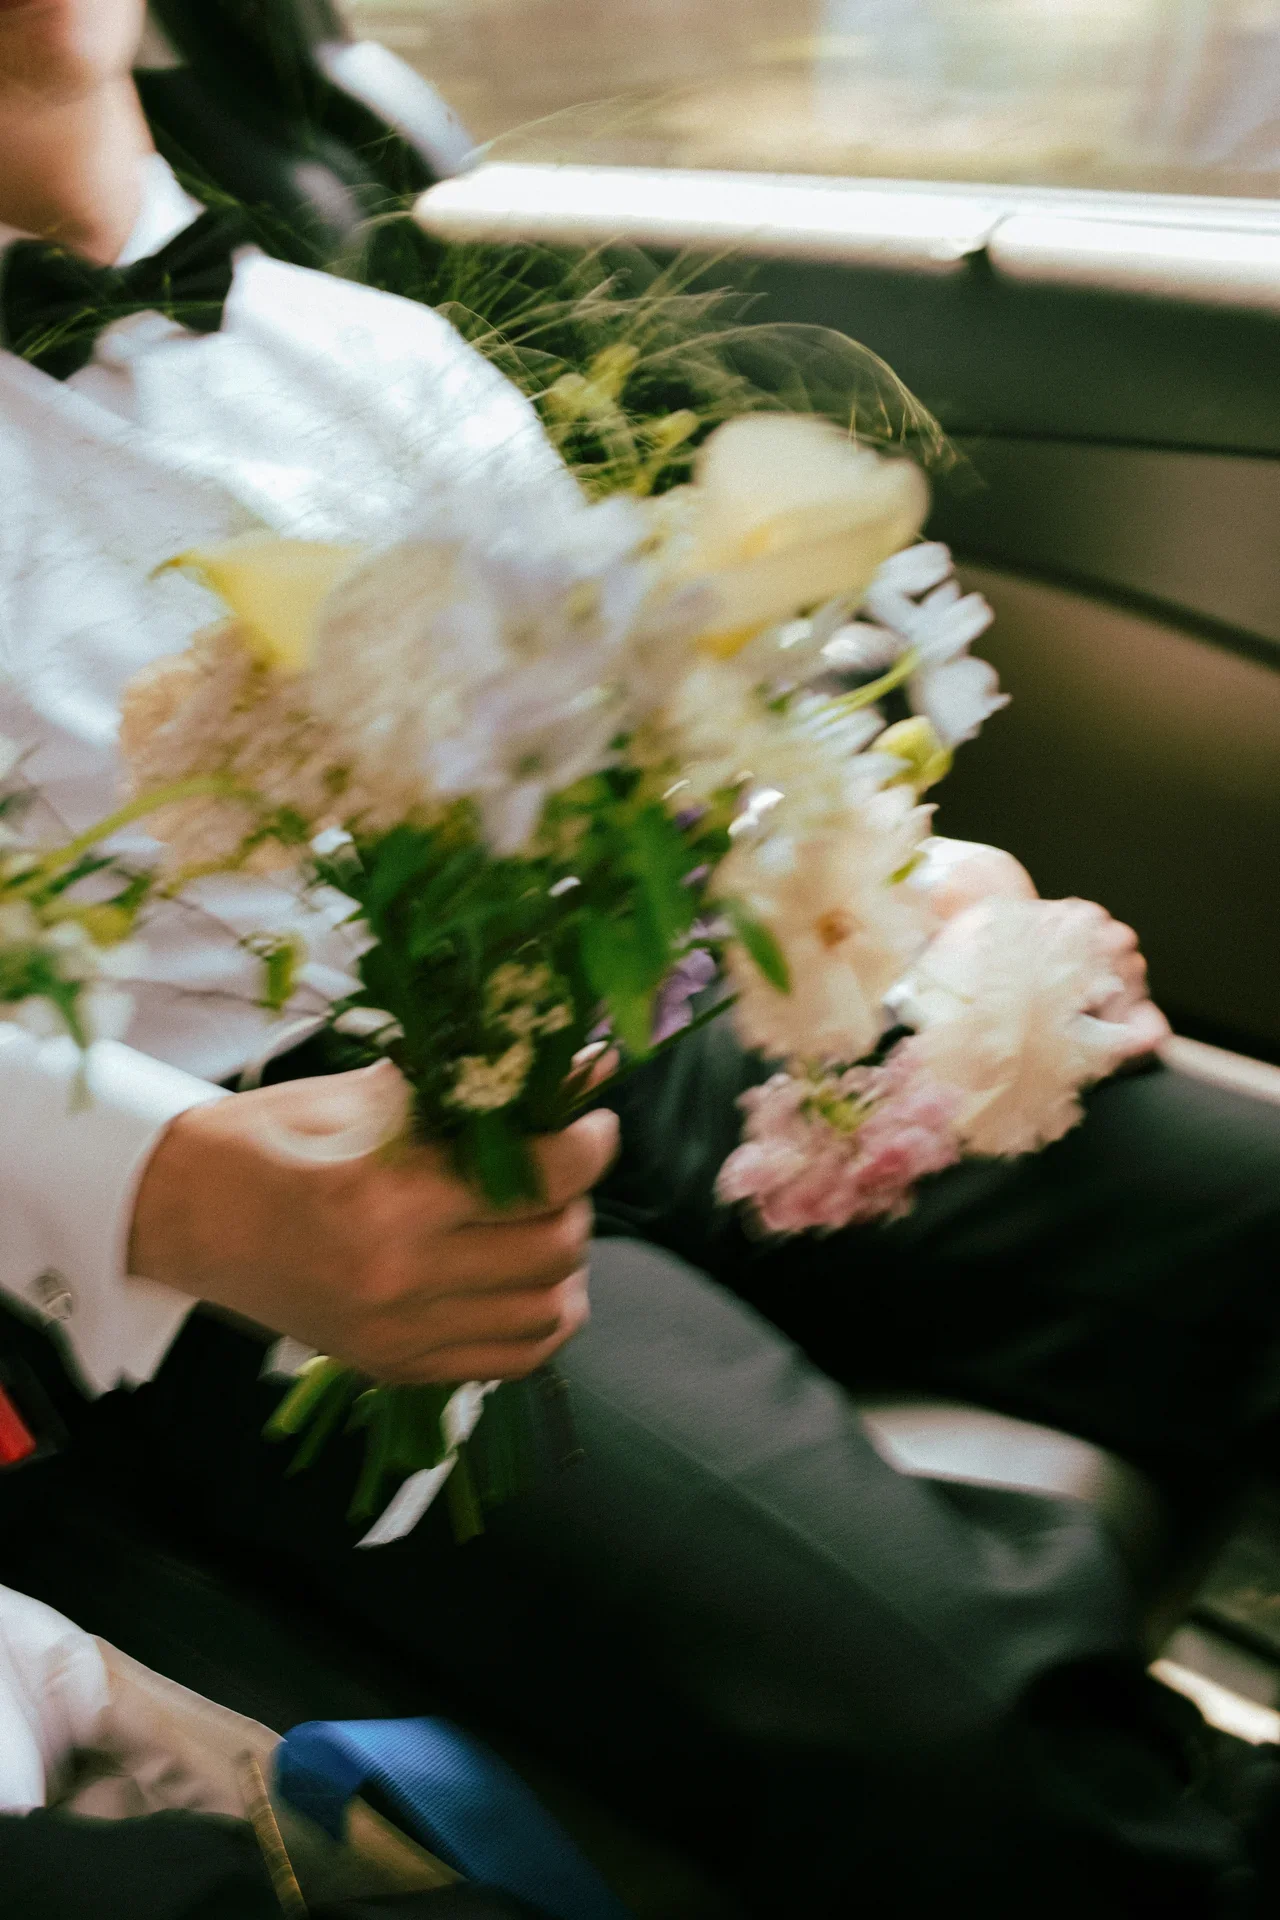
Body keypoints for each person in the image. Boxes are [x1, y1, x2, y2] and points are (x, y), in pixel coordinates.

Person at [2, 3, 1280, 1914]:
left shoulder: (368, 344)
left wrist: (888, 886)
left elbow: (625, 748)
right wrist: (170, 1186)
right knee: (944, 1721)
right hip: (252, 1199)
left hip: (646, 1021)